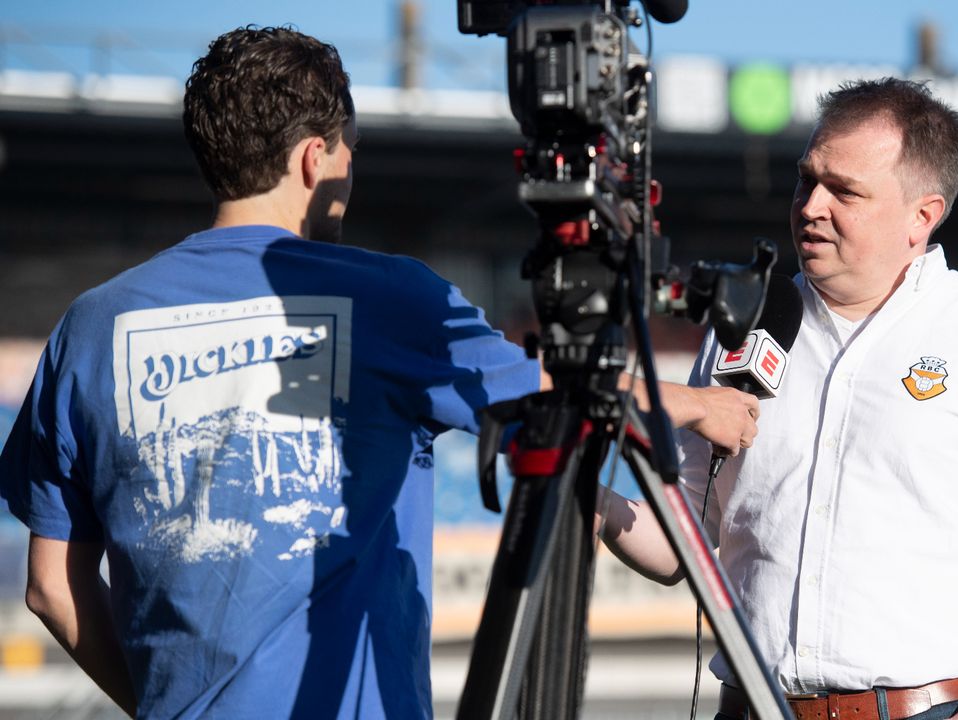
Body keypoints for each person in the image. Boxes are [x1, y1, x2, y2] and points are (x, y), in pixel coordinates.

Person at [0, 26, 758, 719]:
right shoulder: (391, 298)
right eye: (348, 151)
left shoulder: (90, 325)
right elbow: (559, 394)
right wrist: (697, 405)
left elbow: (50, 587)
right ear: (313, 158)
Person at [598, 78, 958, 720]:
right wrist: (587, 494)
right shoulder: (743, 328)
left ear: (923, 215)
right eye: (807, 180)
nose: (811, 205)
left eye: (845, 191)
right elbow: (684, 544)